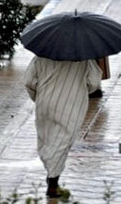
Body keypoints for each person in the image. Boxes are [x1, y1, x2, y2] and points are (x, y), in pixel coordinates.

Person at [24, 56, 102, 198]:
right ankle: (53, 181)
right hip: (72, 103)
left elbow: (29, 81)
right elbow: (94, 82)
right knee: (63, 141)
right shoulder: (84, 57)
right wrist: (81, 89)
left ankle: (51, 172)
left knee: (46, 138)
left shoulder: (40, 56)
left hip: (45, 101)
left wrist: (37, 96)